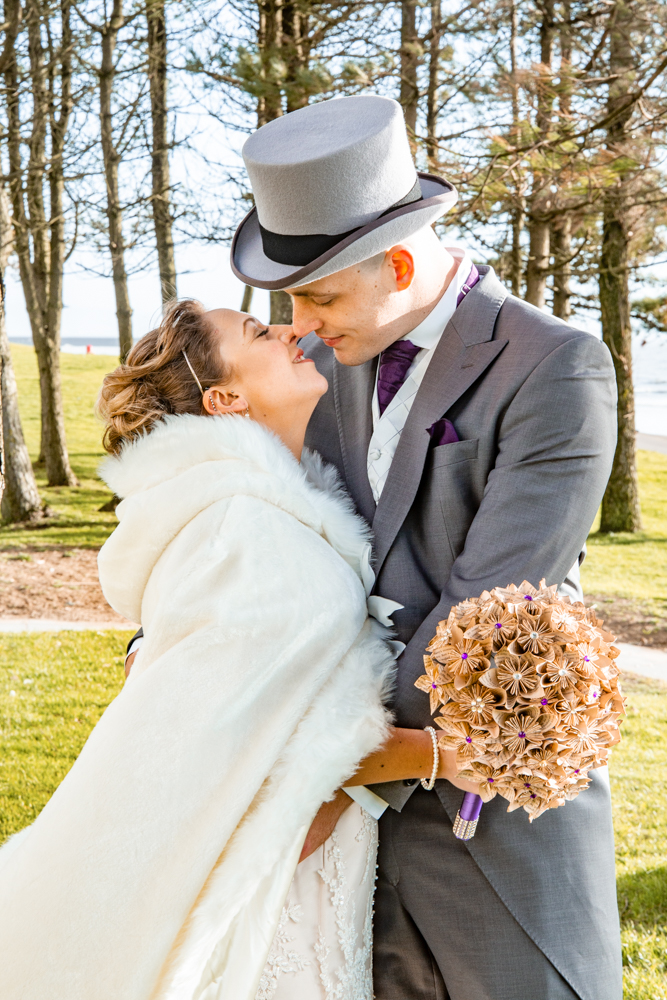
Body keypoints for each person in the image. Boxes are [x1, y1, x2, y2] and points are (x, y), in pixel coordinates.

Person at [226, 93, 624, 1000]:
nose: (304, 323)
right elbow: (269, 533)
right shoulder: (321, 364)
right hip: (342, 857)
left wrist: (328, 752)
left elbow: (491, 601)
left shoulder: (556, 366)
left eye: (320, 295)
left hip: (489, 821)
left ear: (398, 262)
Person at [0, 299, 474, 1000]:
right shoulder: (246, 530)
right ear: (225, 398)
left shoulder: (266, 511)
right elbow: (248, 749)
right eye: (257, 331)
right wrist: (443, 754)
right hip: (259, 896)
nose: (291, 328)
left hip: (302, 875)